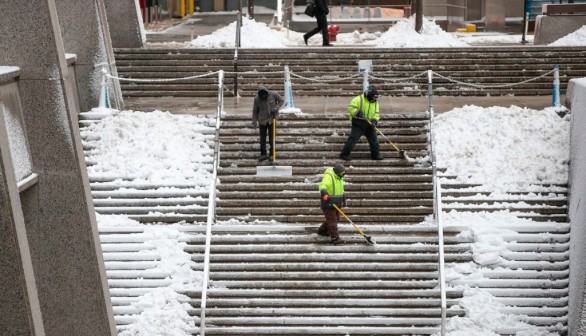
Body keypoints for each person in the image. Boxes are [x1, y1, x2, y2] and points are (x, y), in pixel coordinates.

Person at [340, 86, 383, 161]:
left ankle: (375, 155)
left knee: (374, 140)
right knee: (353, 139)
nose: (374, 99)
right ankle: (344, 154)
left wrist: (374, 120)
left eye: (375, 98)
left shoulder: (375, 103)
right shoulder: (358, 99)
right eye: (373, 97)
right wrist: (358, 113)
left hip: (369, 124)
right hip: (358, 123)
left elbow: (376, 113)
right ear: (368, 95)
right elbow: (351, 108)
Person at [252, 86, 284, 162]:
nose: (263, 96)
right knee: (262, 138)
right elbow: (255, 111)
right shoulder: (257, 99)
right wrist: (254, 121)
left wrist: (276, 107)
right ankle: (263, 154)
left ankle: (272, 154)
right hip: (262, 120)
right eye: (261, 95)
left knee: (272, 138)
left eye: (264, 95)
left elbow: (281, 100)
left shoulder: (273, 94)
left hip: (272, 120)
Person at [318, 163, 347, 244]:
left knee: (336, 219)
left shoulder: (340, 178)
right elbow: (323, 185)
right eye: (341, 174)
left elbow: (341, 190)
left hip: (337, 203)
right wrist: (324, 192)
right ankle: (335, 238)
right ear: (337, 172)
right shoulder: (329, 176)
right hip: (328, 203)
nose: (343, 175)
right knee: (333, 222)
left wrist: (343, 198)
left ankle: (322, 231)